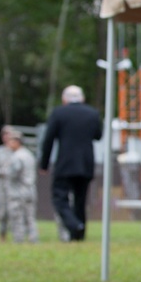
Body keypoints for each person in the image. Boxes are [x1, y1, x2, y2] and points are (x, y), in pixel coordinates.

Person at [39, 85, 102, 242]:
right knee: (80, 201)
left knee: (59, 198)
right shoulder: (93, 113)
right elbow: (98, 135)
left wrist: (44, 164)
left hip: (65, 163)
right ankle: (79, 235)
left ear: (64, 99)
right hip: (86, 163)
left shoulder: (59, 113)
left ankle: (73, 225)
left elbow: (48, 139)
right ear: (82, 98)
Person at [5, 129, 38, 243]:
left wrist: (6, 173)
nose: (8, 144)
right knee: (30, 217)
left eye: (10, 141)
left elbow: (14, 173)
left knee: (17, 216)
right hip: (30, 189)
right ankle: (33, 239)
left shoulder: (17, 156)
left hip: (19, 191)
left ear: (17, 142)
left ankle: (18, 239)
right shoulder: (29, 154)